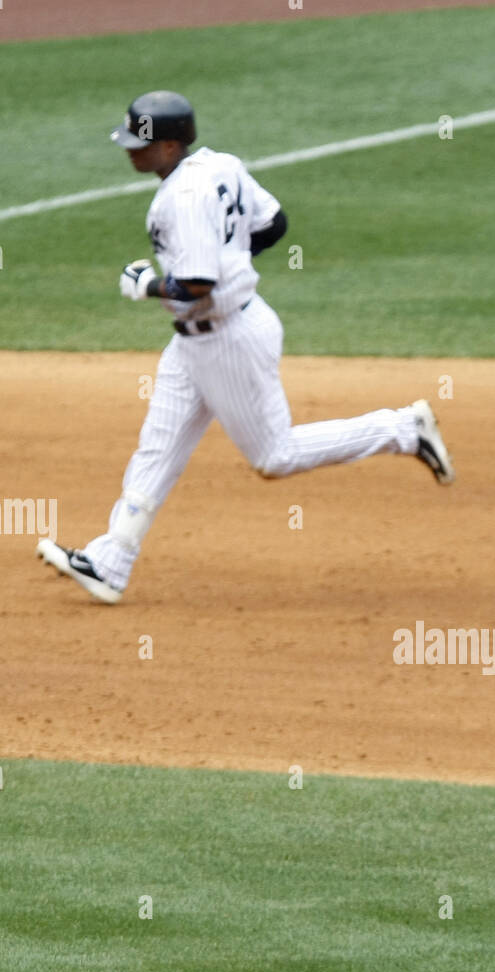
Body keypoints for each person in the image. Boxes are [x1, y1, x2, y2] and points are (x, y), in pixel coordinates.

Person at [37, 90, 454, 605]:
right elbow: (274, 223)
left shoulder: (180, 200)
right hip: (200, 341)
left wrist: (146, 285)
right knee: (158, 446)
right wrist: (231, 256)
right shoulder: (221, 166)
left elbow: (195, 285)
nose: (129, 151)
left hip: (227, 340)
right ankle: (110, 560)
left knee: (274, 457)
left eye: (138, 143)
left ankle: (402, 430)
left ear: (169, 146)